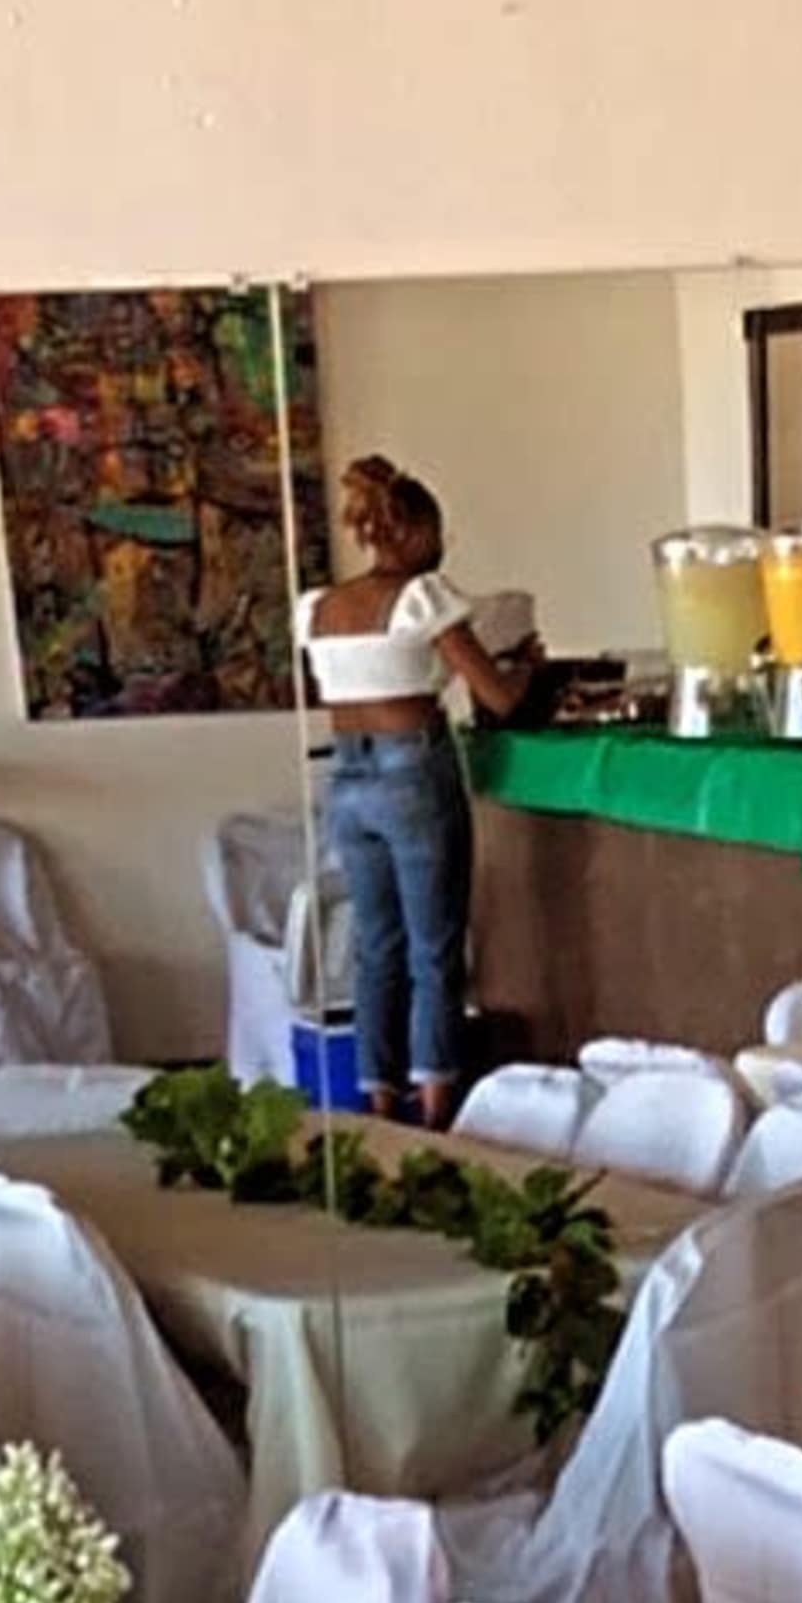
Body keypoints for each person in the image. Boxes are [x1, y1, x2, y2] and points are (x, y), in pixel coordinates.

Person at [298, 460, 532, 1128]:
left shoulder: (318, 608)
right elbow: (498, 698)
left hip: (344, 778)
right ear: (418, 529)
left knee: (376, 947)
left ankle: (376, 1097)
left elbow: (339, 687)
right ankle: (435, 1105)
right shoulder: (424, 595)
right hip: (413, 772)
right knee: (434, 949)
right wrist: (525, 664)